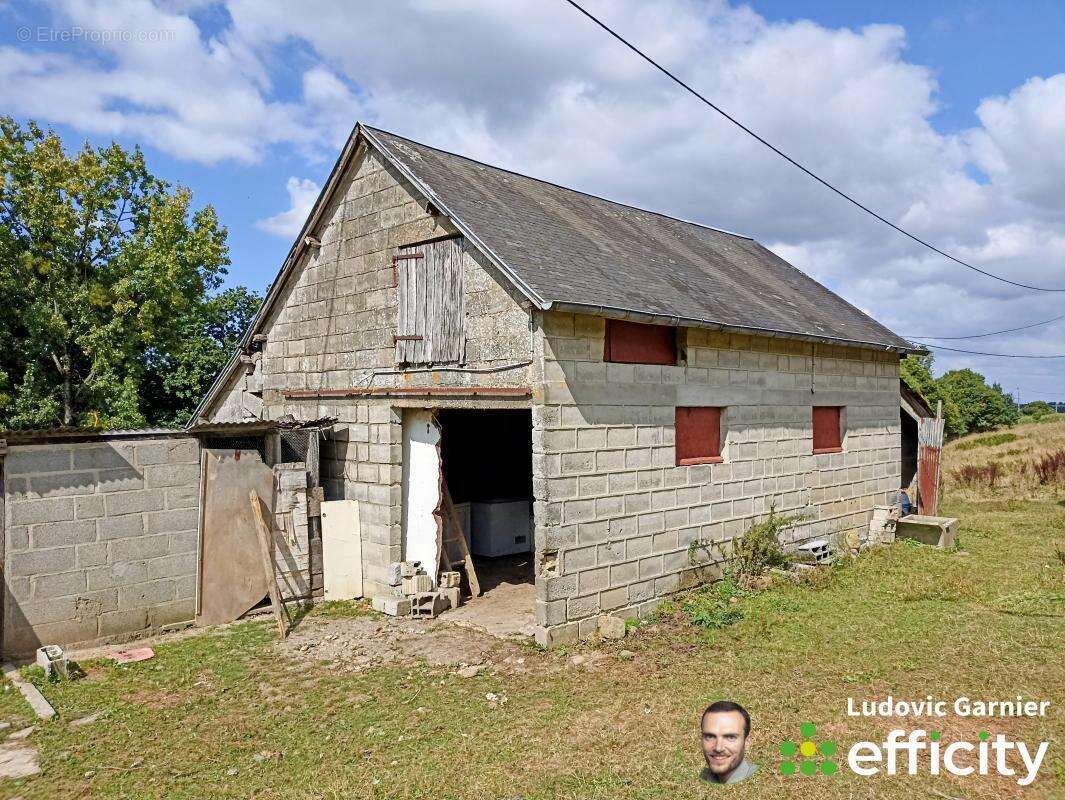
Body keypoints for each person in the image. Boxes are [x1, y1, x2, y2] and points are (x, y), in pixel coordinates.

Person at [699, 700, 758, 785]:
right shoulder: (702, 778)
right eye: (710, 736)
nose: (718, 748)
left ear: (747, 741)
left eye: (730, 737)